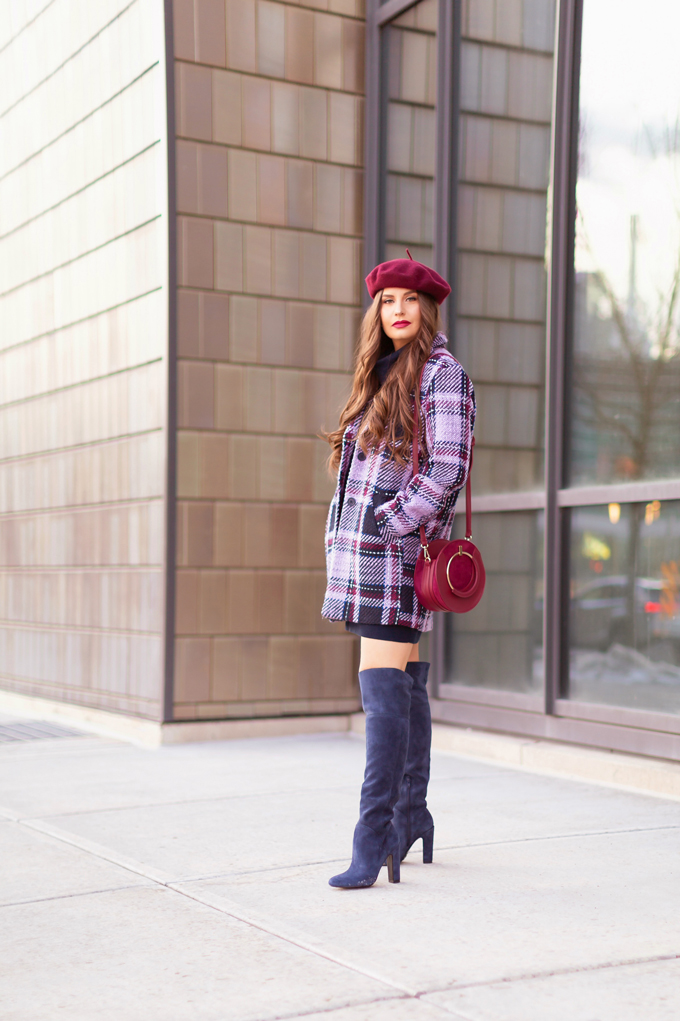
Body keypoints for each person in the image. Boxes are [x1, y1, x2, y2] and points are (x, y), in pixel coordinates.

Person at [322, 255, 476, 889]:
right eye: (387, 301)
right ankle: (410, 815)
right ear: (377, 312)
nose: (399, 311)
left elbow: (447, 470)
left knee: (380, 690)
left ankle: (375, 833)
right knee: (400, 685)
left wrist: (392, 525)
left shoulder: (443, 375)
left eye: (409, 300)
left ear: (427, 307)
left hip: (395, 557)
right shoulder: (378, 373)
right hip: (360, 558)